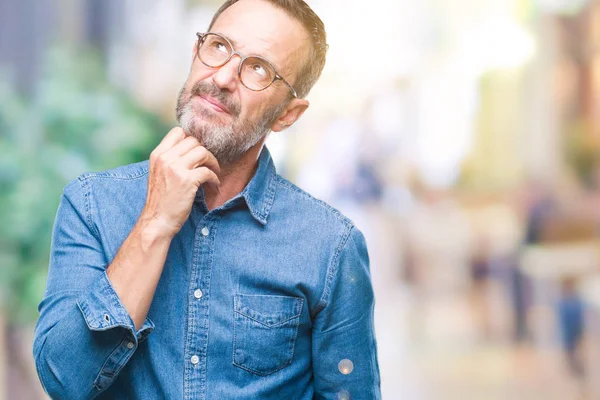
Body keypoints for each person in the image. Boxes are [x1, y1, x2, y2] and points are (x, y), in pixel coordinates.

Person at [32, 0, 382, 399]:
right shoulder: (92, 204)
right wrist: (155, 224)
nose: (222, 77)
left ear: (287, 114)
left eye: (257, 68)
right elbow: (63, 381)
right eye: (218, 46)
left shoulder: (330, 246)